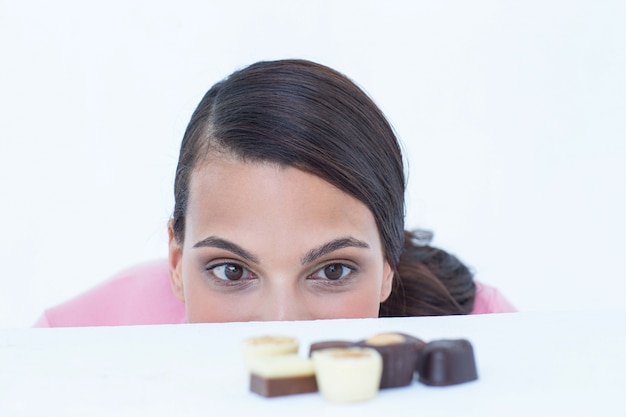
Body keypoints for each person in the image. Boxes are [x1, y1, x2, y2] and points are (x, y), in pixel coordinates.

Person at [34, 59, 515, 327]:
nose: (280, 324)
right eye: (231, 270)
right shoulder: (72, 345)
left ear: (387, 267)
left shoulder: (487, 334)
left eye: (333, 270)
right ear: (177, 264)